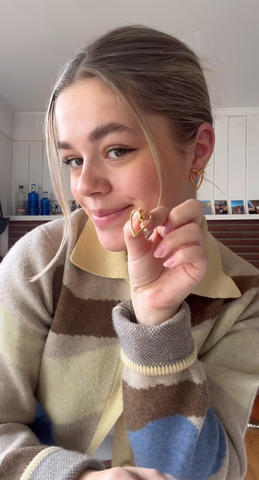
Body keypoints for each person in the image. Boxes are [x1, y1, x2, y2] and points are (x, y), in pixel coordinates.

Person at [0, 25, 258, 480]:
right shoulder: (39, 263)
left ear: (198, 149)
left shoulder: (244, 297)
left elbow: (214, 473)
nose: (84, 186)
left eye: (117, 150)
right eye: (73, 159)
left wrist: (157, 327)